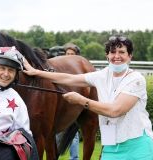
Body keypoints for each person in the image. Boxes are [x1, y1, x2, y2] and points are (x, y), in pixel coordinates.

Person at [23, 35, 153, 159]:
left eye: (122, 52)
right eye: (113, 52)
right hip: (111, 145)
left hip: (137, 144)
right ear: (107, 56)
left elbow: (115, 111)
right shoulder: (102, 76)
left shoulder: (136, 79)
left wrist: (82, 101)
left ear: (130, 56)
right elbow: (68, 78)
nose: (117, 56)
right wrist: (37, 72)